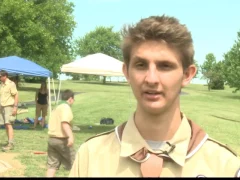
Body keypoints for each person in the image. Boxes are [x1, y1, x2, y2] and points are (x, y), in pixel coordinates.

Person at [69, 15, 240, 177]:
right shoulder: (90, 156)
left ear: (187, 74)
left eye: (165, 66)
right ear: (127, 72)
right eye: (141, 65)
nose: (151, 79)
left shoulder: (224, 166)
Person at [46, 89, 76, 177]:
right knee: (75, 164)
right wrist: (70, 136)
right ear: (70, 99)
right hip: (61, 141)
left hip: (52, 140)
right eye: (73, 100)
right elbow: (65, 123)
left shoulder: (57, 107)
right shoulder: (65, 107)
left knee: (52, 166)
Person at [0, 70, 18, 152]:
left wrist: (15, 107)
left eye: (0, 76)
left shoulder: (11, 84)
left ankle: (11, 143)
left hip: (9, 107)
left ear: (5, 76)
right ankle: (9, 141)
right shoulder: (1, 85)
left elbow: (16, 95)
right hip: (3, 107)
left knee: (9, 124)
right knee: (5, 125)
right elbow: (2, 96)